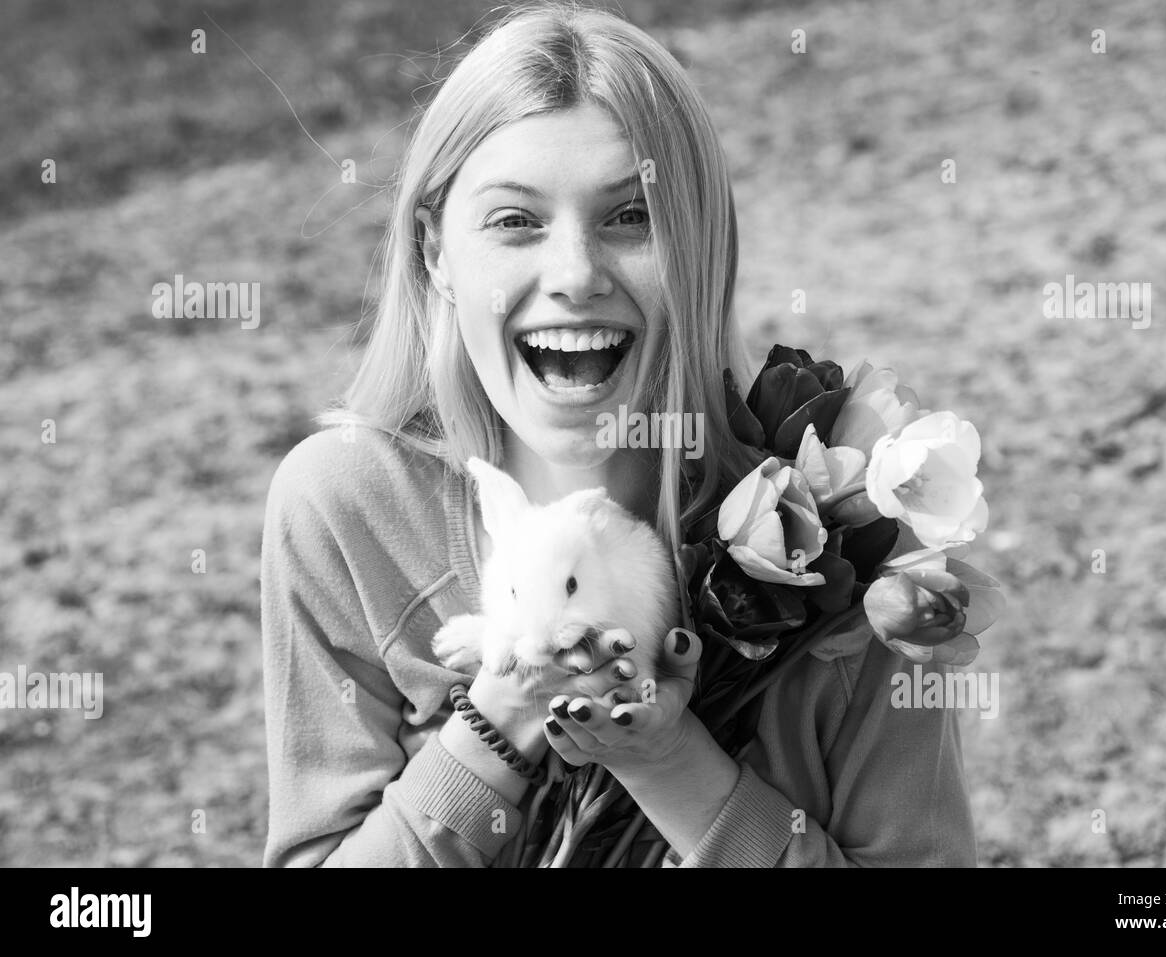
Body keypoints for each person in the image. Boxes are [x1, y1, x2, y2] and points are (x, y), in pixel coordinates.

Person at [260, 1, 977, 867]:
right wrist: (508, 713)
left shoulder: (837, 538)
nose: (574, 274)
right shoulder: (347, 504)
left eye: (631, 216)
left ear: (703, 247)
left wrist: (670, 761)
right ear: (433, 254)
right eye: (514, 220)